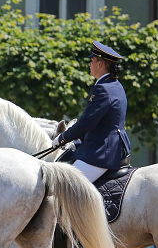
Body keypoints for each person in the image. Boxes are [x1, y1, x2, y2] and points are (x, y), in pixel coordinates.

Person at [52, 41, 132, 183]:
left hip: (101, 151)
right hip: (111, 147)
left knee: (66, 187)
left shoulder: (102, 89)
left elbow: (86, 123)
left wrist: (62, 138)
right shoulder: (115, 85)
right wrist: (77, 140)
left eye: (92, 61)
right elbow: (98, 123)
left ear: (100, 64)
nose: (89, 64)